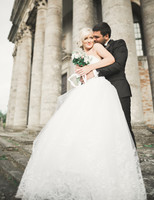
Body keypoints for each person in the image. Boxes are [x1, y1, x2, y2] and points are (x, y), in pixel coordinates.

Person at [16, 28, 146, 200]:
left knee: (100, 126)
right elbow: (79, 73)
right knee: (80, 128)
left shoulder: (98, 48)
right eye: (86, 38)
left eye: (92, 37)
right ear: (81, 40)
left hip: (99, 88)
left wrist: (90, 67)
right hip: (84, 89)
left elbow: (111, 59)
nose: (90, 40)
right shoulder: (78, 54)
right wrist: (81, 73)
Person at [77, 22, 136, 146]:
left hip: (119, 89)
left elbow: (118, 65)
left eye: (96, 37)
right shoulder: (91, 50)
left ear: (106, 36)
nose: (94, 40)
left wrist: (94, 72)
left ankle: (132, 156)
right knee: (107, 126)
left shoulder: (119, 44)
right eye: (91, 37)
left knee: (124, 124)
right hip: (101, 92)